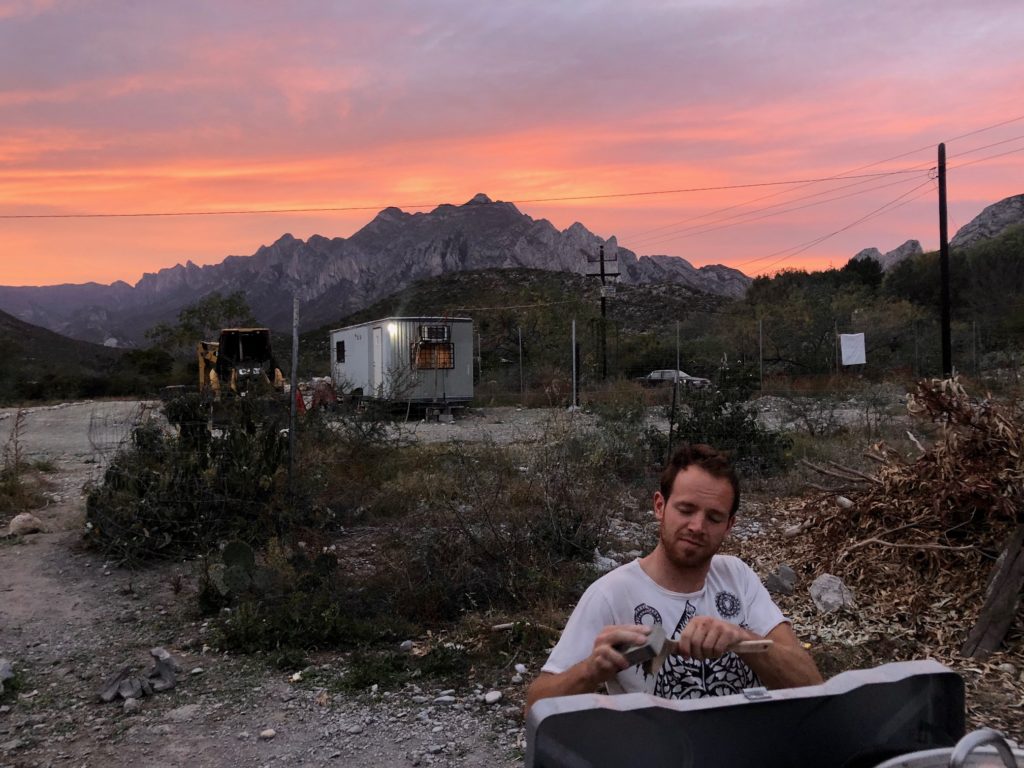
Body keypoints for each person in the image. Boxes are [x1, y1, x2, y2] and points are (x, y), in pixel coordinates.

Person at [526, 443, 822, 711]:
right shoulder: (612, 594)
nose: (697, 526)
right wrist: (591, 670)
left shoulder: (737, 577)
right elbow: (535, 708)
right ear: (660, 506)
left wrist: (741, 637)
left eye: (714, 517)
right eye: (686, 509)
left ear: (729, 525)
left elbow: (810, 683)